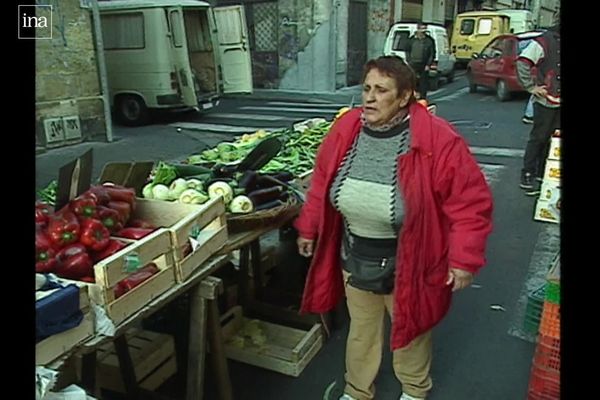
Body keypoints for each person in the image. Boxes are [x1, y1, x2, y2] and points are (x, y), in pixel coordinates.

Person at [294, 56, 493, 400]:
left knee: (411, 329)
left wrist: (463, 259)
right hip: (355, 253)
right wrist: (309, 228)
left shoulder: (437, 138)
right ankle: (357, 391)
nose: (369, 98)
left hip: (410, 258)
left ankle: (414, 391)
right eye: (366, 88)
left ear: (404, 97)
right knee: (361, 330)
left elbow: (469, 202)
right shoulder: (346, 129)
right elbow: (322, 182)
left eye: (381, 90)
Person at [516, 13, 560, 195]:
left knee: (555, 141)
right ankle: (528, 174)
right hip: (546, 100)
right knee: (539, 138)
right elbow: (523, 62)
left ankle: (545, 174)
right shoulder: (544, 41)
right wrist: (531, 87)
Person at [406, 23, 436, 100]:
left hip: (424, 64)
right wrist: (409, 61)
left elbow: (432, 53)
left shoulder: (429, 41)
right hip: (413, 64)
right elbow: (407, 51)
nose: (423, 32)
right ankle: (412, 97)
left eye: (425, 30)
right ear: (418, 29)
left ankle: (422, 98)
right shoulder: (411, 40)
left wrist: (428, 65)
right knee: (412, 81)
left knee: (423, 83)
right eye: (422, 29)